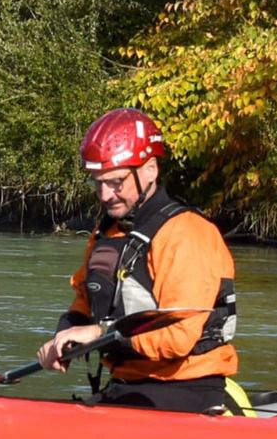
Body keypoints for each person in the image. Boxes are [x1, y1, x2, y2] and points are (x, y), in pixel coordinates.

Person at [36, 108, 241, 413]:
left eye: (116, 182)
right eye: (98, 182)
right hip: (126, 387)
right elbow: (84, 302)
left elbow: (178, 337)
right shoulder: (108, 233)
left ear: (150, 171)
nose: (105, 195)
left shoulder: (187, 234)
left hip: (186, 390)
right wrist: (64, 335)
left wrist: (98, 335)